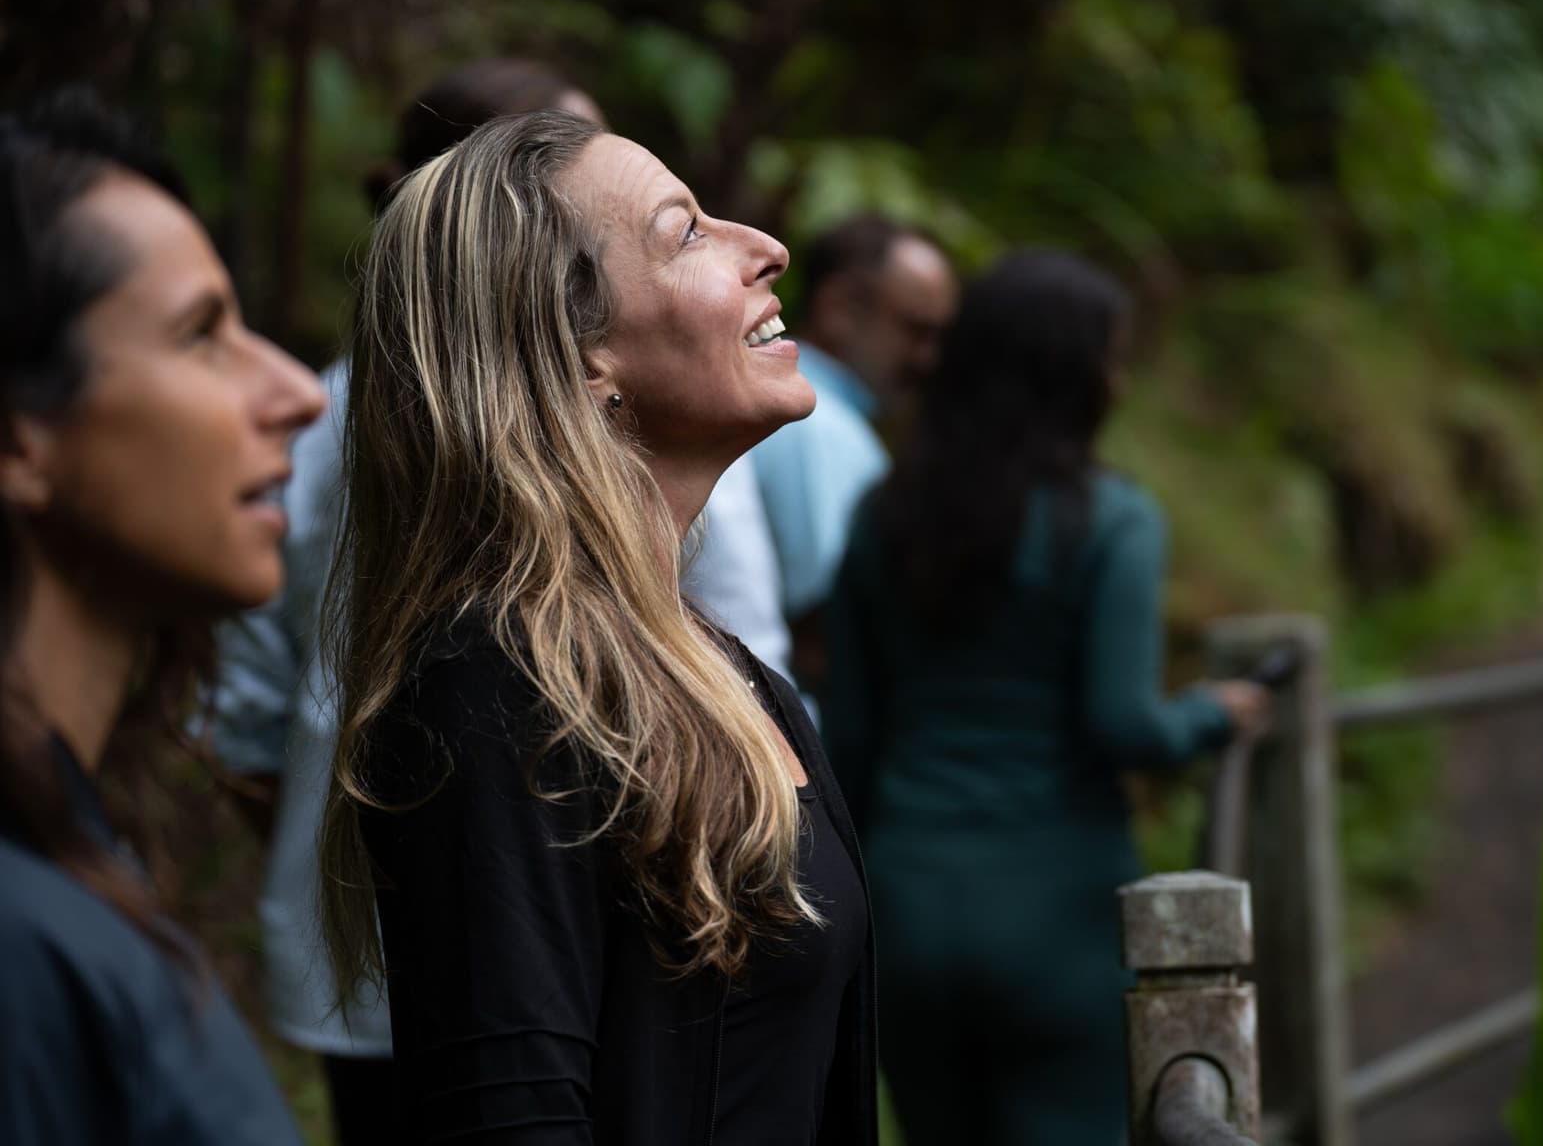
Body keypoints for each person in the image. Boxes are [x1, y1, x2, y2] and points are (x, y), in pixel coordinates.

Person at [318, 110, 876, 1145]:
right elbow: (512, 1118)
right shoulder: (492, 688)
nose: (767, 246)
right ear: (576, 358)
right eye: (688, 231)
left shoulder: (732, 676)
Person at [206, 58, 635, 1144]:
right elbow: (244, 703)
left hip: (602, 917)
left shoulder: (652, 413)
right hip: (375, 939)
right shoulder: (305, 425)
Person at [824, 250, 1268, 1146]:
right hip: (1057, 914)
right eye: (1110, 357)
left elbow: (851, 739)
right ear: (1072, 377)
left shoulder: (884, 515)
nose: (1121, 378)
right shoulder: (1111, 521)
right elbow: (1124, 723)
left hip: (907, 905)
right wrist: (1216, 713)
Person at [0, 92, 325, 1143]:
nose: (295, 390)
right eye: (200, 335)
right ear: (19, 440)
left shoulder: (66, 847)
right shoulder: (17, 945)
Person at [748, 215, 958, 693]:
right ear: (839, 307)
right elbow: (835, 618)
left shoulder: (791, 407)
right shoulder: (818, 424)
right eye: (915, 330)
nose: (929, 359)